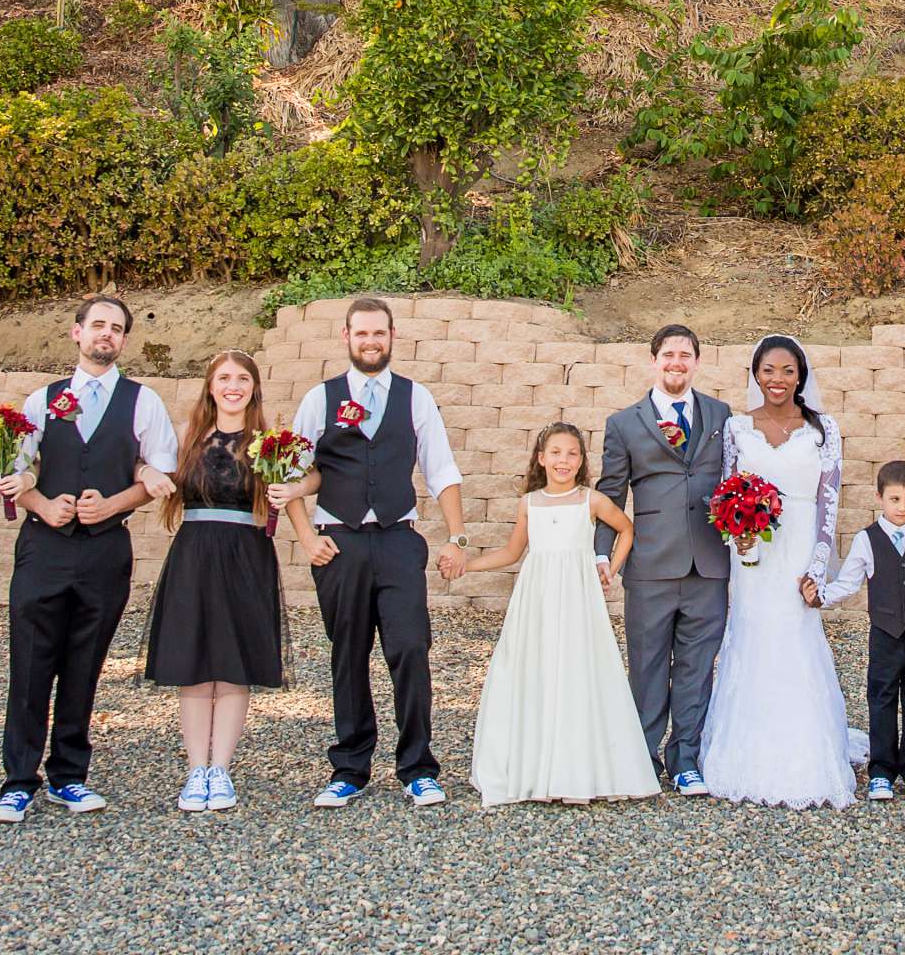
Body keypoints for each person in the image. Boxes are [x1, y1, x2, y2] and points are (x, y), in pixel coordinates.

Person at [0, 296, 180, 823]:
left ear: (123, 340)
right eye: (98, 325)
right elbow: (14, 474)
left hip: (105, 549)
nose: (106, 335)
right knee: (30, 663)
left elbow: (159, 472)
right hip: (43, 547)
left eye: (116, 329)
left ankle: (69, 776)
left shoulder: (143, 403)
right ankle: (18, 781)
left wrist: (114, 504)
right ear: (76, 333)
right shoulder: (40, 401)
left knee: (84, 664)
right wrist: (40, 503)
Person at [272, 297, 469, 809]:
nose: (370, 341)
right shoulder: (321, 398)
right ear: (346, 337)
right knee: (348, 655)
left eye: (378, 333)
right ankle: (350, 768)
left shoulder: (415, 397)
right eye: (361, 334)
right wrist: (307, 539)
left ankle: (418, 767)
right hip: (339, 543)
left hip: (399, 540)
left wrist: (456, 535)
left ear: (392, 336)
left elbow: (441, 469)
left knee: (409, 649)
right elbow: (290, 476)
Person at [698, 334, 859, 810]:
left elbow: (829, 501)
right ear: (755, 374)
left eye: (787, 370)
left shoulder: (822, 429)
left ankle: (806, 755)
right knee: (751, 637)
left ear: (801, 376)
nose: (777, 380)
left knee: (796, 638)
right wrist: (734, 536)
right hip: (752, 554)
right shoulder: (735, 429)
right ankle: (742, 754)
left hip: (798, 553)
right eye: (768, 370)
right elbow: (723, 491)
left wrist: (818, 565)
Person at [464, 423, 661, 807]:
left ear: (581, 461)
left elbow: (626, 530)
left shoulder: (591, 500)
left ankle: (577, 767)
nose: (563, 461)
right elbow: (511, 553)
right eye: (555, 452)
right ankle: (534, 766)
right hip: (535, 599)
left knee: (576, 671)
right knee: (534, 670)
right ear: (541, 458)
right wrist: (468, 566)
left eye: (572, 453)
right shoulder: (529, 503)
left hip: (577, 598)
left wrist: (611, 569)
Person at [142, 350, 288, 814]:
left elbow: (295, 487)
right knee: (195, 663)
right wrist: (144, 471)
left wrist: (291, 488)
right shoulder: (188, 438)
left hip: (246, 555)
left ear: (253, 388)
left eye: (242, 378)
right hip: (195, 553)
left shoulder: (268, 442)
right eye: (224, 377)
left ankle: (221, 769)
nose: (233, 385)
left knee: (232, 663)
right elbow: (145, 465)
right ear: (210, 385)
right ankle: (195, 769)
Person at [593, 324, 733, 796]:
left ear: (697, 361)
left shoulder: (720, 415)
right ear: (653, 361)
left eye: (685, 355)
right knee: (648, 663)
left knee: (697, 665)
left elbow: (735, 481)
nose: (677, 362)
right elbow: (610, 494)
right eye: (668, 354)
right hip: (650, 563)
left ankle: (686, 758)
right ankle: (643, 754)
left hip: (708, 564)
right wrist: (600, 554)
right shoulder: (624, 423)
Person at [810, 460, 905, 802]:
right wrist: (821, 596)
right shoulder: (866, 540)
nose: (901, 507)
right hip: (885, 635)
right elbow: (849, 583)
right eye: (894, 499)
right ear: (879, 497)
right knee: (882, 700)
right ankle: (882, 770)